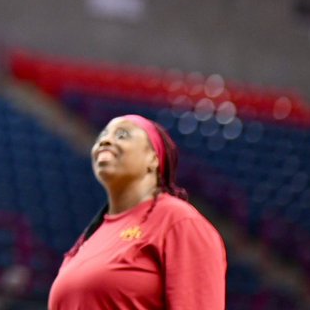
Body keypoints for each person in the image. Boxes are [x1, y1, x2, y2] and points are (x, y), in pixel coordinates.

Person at [48, 114, 227, 309]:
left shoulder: (178, 221)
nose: (105, 140)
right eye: (102, 137)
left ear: (153, 158)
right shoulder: (87, 240)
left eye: (122, 135)